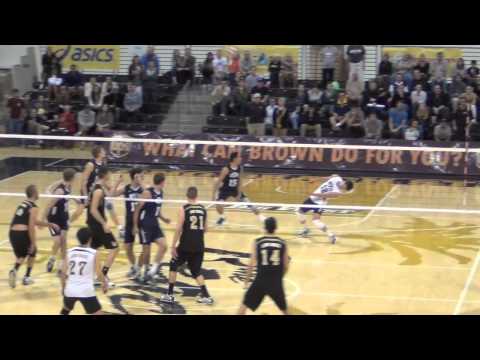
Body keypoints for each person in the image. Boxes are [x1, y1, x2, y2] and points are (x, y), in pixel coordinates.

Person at [160, 187, 213, 305]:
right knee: (196, 270)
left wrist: (173, 245)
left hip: (185, 245)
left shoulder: (184, 208)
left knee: (173, 264)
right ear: (196, 196)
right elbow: (206, 229)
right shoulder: (203, 209)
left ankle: (169, 294)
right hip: (199, 245)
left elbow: (178, 228)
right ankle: (207, 296)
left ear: (187, 196)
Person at [8, 185, 59, 288]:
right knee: (33, 251)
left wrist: (50, 224)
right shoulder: (33, 207)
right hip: (22, 233)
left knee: (21, 256)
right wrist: (33, 243)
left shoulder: (22, 204)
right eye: (37, 191)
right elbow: (31, 226)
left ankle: (14, 270)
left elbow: (33, 221)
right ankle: (26, 277)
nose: (39, 193)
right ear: (34, 193)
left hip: (13, 233)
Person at [237, 217, 290, 315]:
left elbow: (251, 264)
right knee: (285, 311)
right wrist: (279, 278)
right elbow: (286, 265)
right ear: (276, 228)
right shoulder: (283, 243)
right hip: (276, 283)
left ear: (264, 228)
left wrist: (246, 280)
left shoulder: (257, 242)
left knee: (243, 307)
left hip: (260, 281)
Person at [60, 228, 108, 315]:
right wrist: (104, 283)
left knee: (66, 309)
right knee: (98, 313)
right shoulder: (94, 253)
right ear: (90, 239)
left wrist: (63, 288)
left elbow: (63, 273)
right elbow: (98, 273)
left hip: (70, 289)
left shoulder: (69, 252)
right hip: (86, 291)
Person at [133, 173, 170, 283]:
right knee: (146, 251)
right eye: (165, 181)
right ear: (162, 182)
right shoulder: (147, 193)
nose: (165, 183)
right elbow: (137, 209)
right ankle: (140, 271)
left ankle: (152, 271)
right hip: (145, 225)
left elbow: (157, 210)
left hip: (155, 224)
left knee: (164, 246)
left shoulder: (161, 193)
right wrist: (135, 226)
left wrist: (164, 219)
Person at [43, 169, 82, 275]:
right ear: (72, 178)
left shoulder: (68, 186)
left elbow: (67, 194)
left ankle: (61, 267)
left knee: (63, 242)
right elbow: (49, 205)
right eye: (75, 177)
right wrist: (43, 220)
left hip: (63, 218)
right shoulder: (59, 191)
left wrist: (74, 198)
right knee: (57, 241)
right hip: (53, 219)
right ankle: (52, 258)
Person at [87, 167, 119, 288]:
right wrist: (104, 223)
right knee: (115, 247)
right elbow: (93, 209)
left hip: (93, 224)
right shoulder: (98, 190)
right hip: (97, 225)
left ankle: (97, 276)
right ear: (105, 175)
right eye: (109, 173)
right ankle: (103, 276)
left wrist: (118, 183)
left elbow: (111, 194)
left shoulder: (98, 187)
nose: (110, 175)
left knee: (94, 252)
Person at [212, 152, 265, 227]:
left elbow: (240, 182)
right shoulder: (226, 169)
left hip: (235, 190)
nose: (241, 158)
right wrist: (213, 195)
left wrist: (239, 194)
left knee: (249, 203)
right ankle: (222, 217)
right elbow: (217, 182)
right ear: (234, 159)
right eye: (239, 157)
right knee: (218, 205)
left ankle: (261, 218)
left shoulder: (240, 168)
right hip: (225, 190)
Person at [297, 175, 354, 242]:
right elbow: (325, 178)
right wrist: (315, 180)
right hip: (312, 199)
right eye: (344, 185)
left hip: (320, 203)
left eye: (344, 188)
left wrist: (311, 193)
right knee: (300, 212)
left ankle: (331, 235)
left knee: (316, 221)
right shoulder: (336, 177)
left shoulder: (337, 193)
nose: (343, 187)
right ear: (345, 182)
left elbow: (323, 195)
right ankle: (306, 229)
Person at [111, 168, 144, 279]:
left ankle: (141, 269)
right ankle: (134, 267)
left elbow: (150, 195)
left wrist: (141, 183)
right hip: (129, 221)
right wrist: (118, 182)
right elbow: (112, 194)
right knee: (128, 246)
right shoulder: (126, 189)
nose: (141, 178)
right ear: (134, 177)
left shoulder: (144, 190)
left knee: (146, 247)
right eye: (139, 176)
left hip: (142, 221)